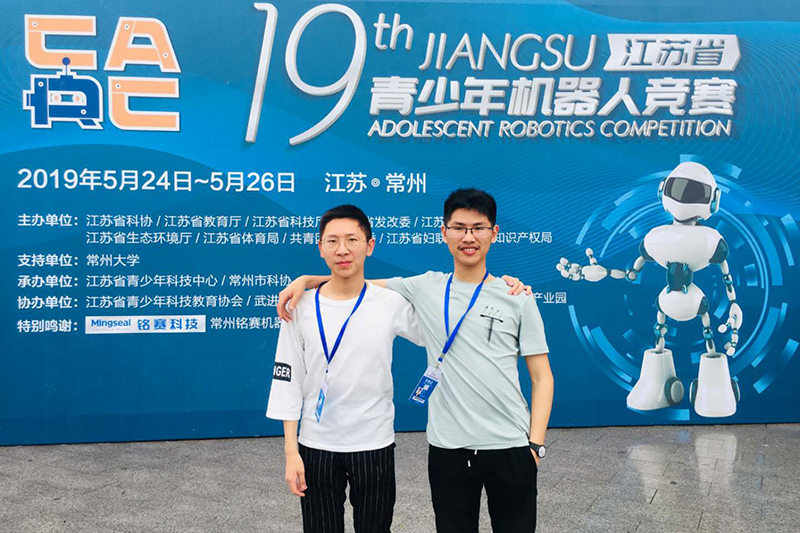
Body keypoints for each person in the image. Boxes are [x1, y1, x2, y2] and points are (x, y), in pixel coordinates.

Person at [279, 189, 554, 532]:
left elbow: (542, 377)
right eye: (459, 228)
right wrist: (306, 280)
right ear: (444, 232)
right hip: (448, 447)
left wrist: (535, 446)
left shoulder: (517, 297)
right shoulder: (425, 287)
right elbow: (355, 281)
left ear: (494, 233)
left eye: (478, 228)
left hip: (510, 444)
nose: (468, 237)